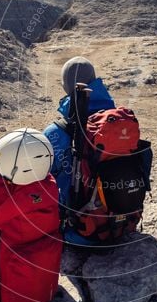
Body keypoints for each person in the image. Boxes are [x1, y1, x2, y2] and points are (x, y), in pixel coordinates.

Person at [43, 57, 117, 245]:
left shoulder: (55, 132)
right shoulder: (120, 125)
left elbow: (42, 180)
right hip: (120, 223)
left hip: (78, 231)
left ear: (66, 87)